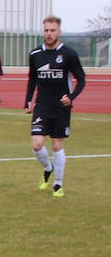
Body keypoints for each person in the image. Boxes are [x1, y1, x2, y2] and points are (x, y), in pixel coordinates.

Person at [24, 15, 86, 198]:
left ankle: (58, 184)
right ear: (43, 31)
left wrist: (71, 97)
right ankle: (48, 167)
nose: (49, 34)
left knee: (57, 146)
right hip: (42, 105)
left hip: (61, 107)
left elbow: (81, 79)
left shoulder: (69, 54)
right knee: (37, 144)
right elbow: (32, 79)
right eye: (46, 30)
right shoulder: (35, 54)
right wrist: (28, 100)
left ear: (59, 32)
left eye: (52, 30)